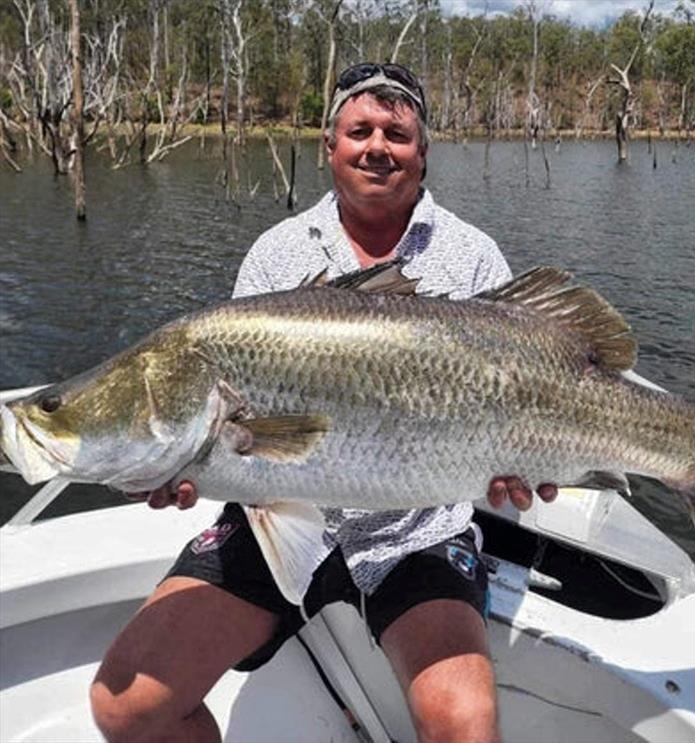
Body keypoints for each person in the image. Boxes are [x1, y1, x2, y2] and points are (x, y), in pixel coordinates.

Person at [90, 63, 557, 743]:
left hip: (414, 530)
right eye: (358, 129)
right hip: (273, 517)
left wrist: (516, 469)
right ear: (329, 146)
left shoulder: (474, 257)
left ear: (421, 152)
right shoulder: (276, 255)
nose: (376, 145)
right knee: (124, 704)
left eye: (396, 133)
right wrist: (169, 463)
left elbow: (524, 393)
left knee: (465, 725)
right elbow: (232, 428)